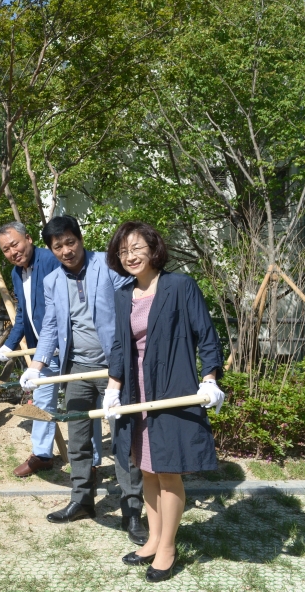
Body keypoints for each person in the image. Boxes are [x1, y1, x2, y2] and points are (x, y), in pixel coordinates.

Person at [103, 221, 224, 582]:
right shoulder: (124, 293)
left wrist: (210, 378)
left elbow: (206, 333)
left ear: (153, 247)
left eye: (136, 247)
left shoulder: (179, 286)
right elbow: (120, 346)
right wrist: (113, 388)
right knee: (146, 468)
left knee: (168, 469)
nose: (130, 256)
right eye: (123, 251)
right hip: (134, 393)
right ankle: (154, 538)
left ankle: (169, 546)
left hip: (171, 388)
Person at [28, 215, 148, 546]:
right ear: (51, 250)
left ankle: (132, 510)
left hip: (115, 369)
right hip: (77, 370)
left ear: (80, 239)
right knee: (78, 439)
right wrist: (37, 366)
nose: (66, 250)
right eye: (58, 246)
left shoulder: (108, 266)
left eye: (70, 242)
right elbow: (51, 327)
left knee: (123, 441)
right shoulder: (52, 282)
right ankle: (81, 501)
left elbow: (134, 305)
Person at [0, 221, 73, 477]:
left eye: (15, 244)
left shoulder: (51, 260)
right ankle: (42, 455)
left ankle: (89, 461)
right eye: (6, 249)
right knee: (41, 401)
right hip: (42, 352)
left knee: (79, 400)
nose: (12, 252)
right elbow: (22, 316)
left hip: (71, 346)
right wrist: (8, 344)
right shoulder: (17, 274)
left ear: (28, 238)